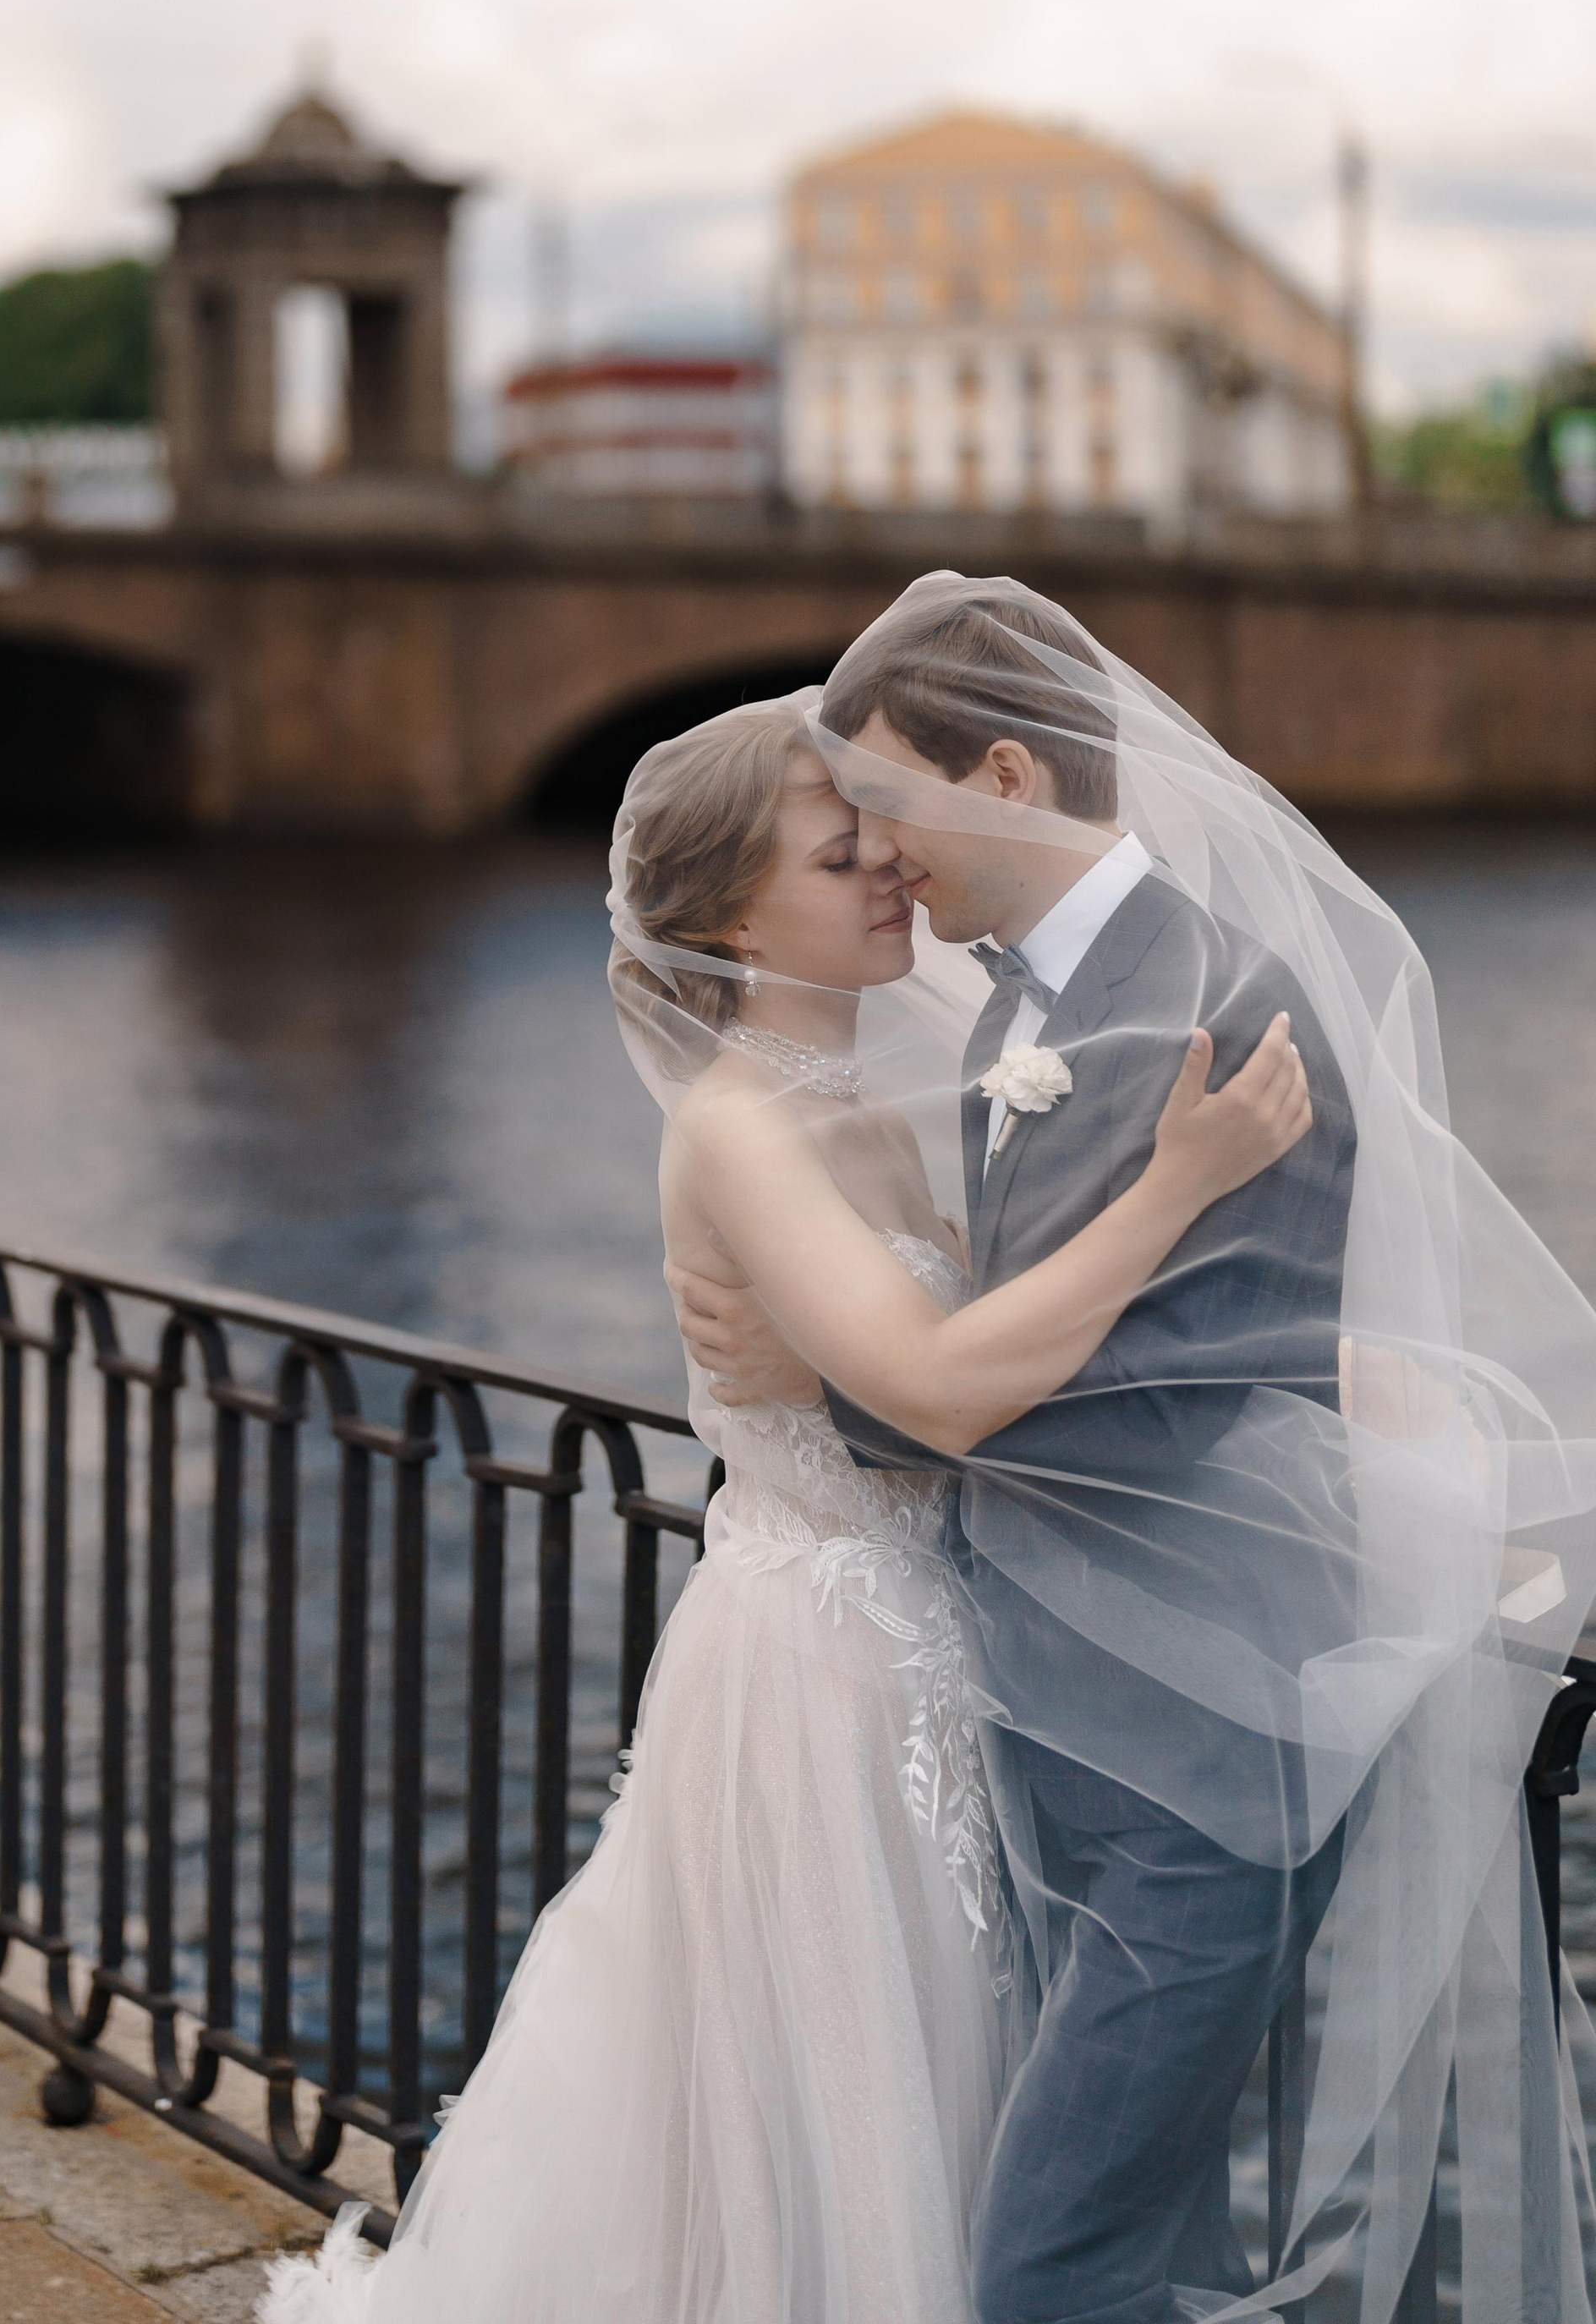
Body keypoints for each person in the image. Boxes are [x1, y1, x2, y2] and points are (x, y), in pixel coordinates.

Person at [262, 688, 1309, 2324]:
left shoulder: (936, 1076)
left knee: (968, 2069)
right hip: (820, 1667)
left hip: (956, 1637)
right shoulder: (742, 1130)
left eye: (885, 836)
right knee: (832, 2102)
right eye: (843, 856)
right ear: (734, 918)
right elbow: (951, 1388)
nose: (894, 868)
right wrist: (1184, 1177)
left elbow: (961, 1386)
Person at [676, 574, 1596, 2323]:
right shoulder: (1018, 1002)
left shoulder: (1212, 998)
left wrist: (822, 1386)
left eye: (887, 805)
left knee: (1046, 2264)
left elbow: (1151, 1396)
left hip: (1189, 1746)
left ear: (1003, 781)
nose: (882, 854)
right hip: (1063, 1717)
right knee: (1105, 2240)